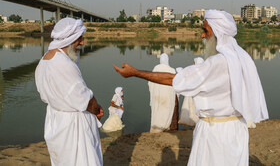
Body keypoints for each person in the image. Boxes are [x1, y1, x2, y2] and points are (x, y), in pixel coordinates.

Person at [113, 9, 269, 166]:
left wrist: (135, 72)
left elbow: (174, 79)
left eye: (205, 30)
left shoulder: (217, 62)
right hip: (236, 129)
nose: (202, 35)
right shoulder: (243, 58)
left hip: (215, 133)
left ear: (217, 33)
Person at [35, 17, 104, 166]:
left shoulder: (44, 61)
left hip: (56, 123)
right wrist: (97, 109)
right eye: (79, 38)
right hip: (74, 127)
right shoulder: (63, 64)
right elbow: (85, 99)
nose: (82, 42)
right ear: (69, 39)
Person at [148, 53, 177, 133]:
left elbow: (150, 82)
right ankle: (165, 126)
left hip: (157, 95)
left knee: (157, 110)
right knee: (166, 110)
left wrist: (153, 91)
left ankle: (155, 127)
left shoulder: (156, 68)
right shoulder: (171, 70)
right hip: (167, 95)